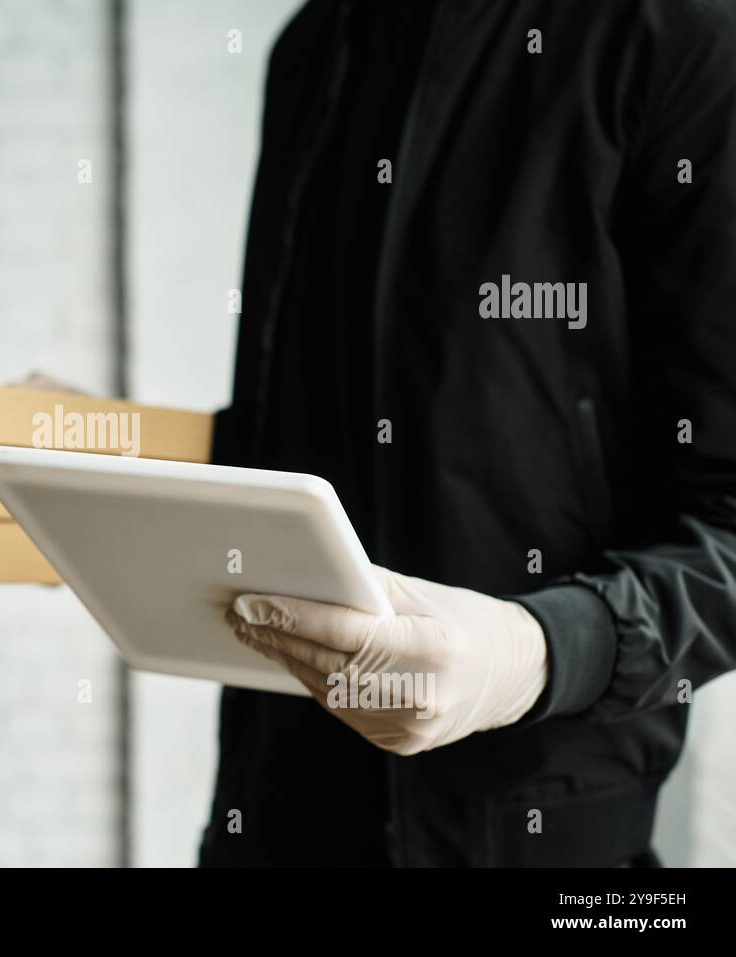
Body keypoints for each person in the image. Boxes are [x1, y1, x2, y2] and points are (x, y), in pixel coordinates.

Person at [202, 0, 736, 866]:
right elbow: (300, 444)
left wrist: (534, 651)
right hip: (269, 820)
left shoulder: (680, 35)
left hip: (548, 847)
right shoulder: (312, 48)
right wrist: (105, 478)